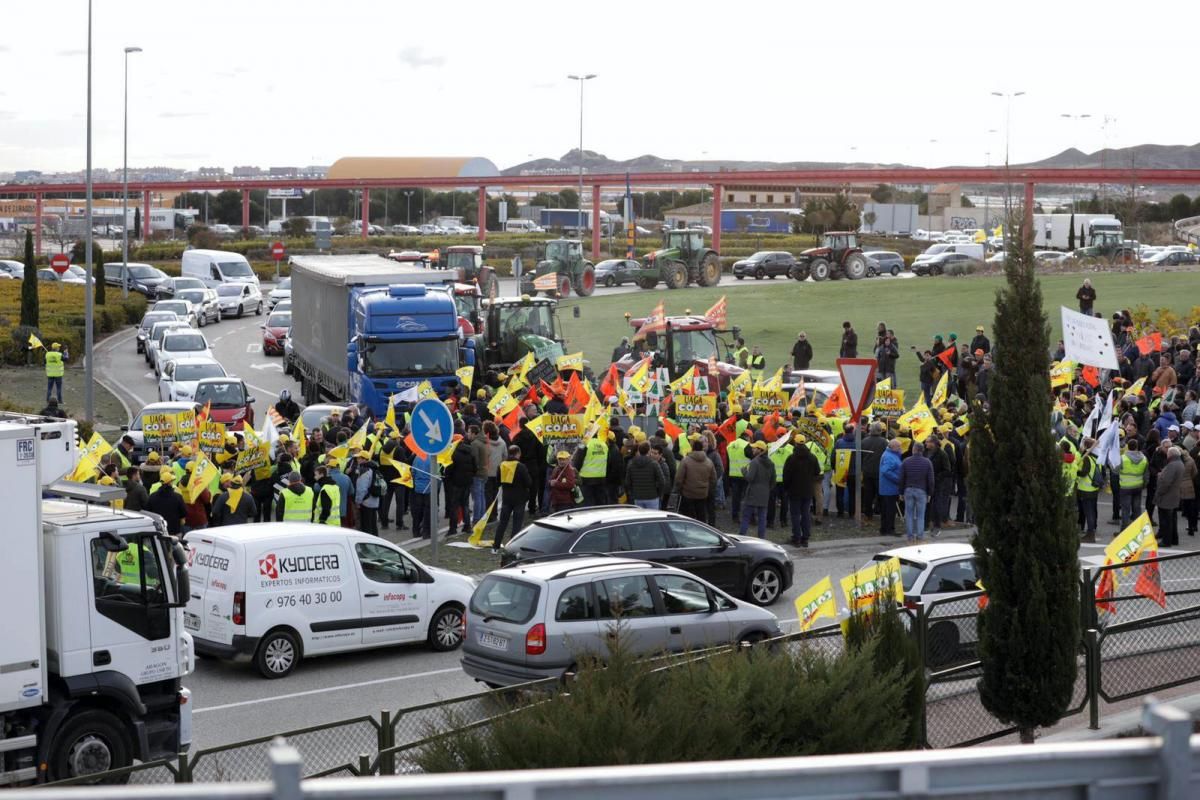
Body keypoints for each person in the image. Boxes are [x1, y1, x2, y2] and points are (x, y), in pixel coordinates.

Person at [782, 434, 819, 547]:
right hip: (807, 490)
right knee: (806, 513)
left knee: (795, 515)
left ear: (795, 443)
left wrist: (786, 487)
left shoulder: (791, 458)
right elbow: (817, 472)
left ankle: (796, 538)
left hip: (794, 491)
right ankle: (805, 538)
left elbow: (786, 475)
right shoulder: (812, 457)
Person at [492, 446, 532, 552]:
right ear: (518, 453)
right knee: (517, 524)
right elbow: (529, 482)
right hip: (520, 498)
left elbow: (498, 482)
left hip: (506, 498)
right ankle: (512, 548)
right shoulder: (521, 466)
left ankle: (495, 546)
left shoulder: (502, 465)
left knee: (503, 523)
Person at [675, 435, 716, 522]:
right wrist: (708, 489)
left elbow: (679, 478)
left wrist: (679, 490)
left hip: (688, 493)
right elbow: (713, 479)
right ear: (702, 448)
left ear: (692, 448)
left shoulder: (686, 461)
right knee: (701, 515)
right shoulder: (709, 462)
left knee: (688, 517)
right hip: (702, 493)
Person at [899, 441, 934, 544]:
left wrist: (900, 492)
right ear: (922, 450)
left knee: (909, 514)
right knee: (920, 515)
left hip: (908, 490)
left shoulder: (906, 461)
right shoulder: (927, 462)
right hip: (922, 490)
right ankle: (919, 537)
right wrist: (930, 493)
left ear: (914, 449)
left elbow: (901, 478)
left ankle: (910, 538)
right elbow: (931, 480)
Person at [739, 441, 775, 539]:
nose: (752, 449)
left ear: (760, 450)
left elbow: (750, 478)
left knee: (746, 517)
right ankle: (761, 538)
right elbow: (773, 480)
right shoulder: (771, 463)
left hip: (752, 493)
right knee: (762, 518)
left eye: (755, 448)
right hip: (764, 494)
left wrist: (744, 472)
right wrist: (767, 489)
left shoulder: (755, 462)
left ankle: (741, 537)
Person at [445, 434, 477, 536]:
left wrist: (448, 478)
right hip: (467, 482)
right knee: (465, 505)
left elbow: (449, 470)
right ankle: (467, 526)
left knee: (454, 506)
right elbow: (475, 468)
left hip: (456, 483)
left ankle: (453, 528)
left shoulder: (453, 453)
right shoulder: (470, 451)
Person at [1154, 446, 1184, 547]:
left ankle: (1166, 541)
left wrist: (1159, 492)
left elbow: (1166, 482)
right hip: (1174, 495)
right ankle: (1174, 539)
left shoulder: (1172, 465)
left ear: (1170, 454)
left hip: (1167, 496)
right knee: (1172, 519)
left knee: (1166, 520)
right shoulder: (1180, 463)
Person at [1117, 436, 1148, 530]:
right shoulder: (1144, 458)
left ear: (1127, 446)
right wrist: (1144, 484)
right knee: (1137, 509)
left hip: (1125, 487)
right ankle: (1137, 529)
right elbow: (1146, 474)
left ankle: (1124, 529)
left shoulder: (1123, 458)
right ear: (1137, 447)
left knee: (1125, 509)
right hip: (1138, 486)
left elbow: (1115, 470)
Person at [859, 422, 888, 521]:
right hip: (879, 472)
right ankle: (879, 511)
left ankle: (868, 514)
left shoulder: (864, 441)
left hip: (867, 471)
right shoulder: (884, 442)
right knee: (880, 494)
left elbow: (861, 457)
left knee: (868, 494)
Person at [624, 441, 665, 509]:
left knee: (640, 518)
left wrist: (633, 493)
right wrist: (659, 494)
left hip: (637, 497)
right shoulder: (654, 464)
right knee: (652, 518)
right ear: (649, 451)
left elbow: (627, 482)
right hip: (652, 497)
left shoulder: (631, 464)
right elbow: (662, 481)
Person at [146, 467, 186, 536]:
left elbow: (148, 512)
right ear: (170, 483)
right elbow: (183, 513)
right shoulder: (177, 496)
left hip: (159, 530)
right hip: (175, 530)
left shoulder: (152, 496)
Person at [354, 451, 382, 536]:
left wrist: (358, 502)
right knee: (373, 525)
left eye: (359, 458)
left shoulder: (364, 470)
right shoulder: (374, 468)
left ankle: (368, 544)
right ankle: (376, 543)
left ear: (364, 459)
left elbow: (361, 489)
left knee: (366, 526)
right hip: (374, 499)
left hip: (366, 501)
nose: (357, 460)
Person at [878, 439, 903, 536]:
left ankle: (885, 529)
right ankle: (889, 529)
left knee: (887, 510)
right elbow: (885, 471)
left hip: (888, 488)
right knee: (889, 510)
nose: (900, 448)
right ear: (893, 447)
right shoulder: (889, 456)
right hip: (889, 488)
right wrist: (898, 479)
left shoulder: (890, 454)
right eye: (899, 447)